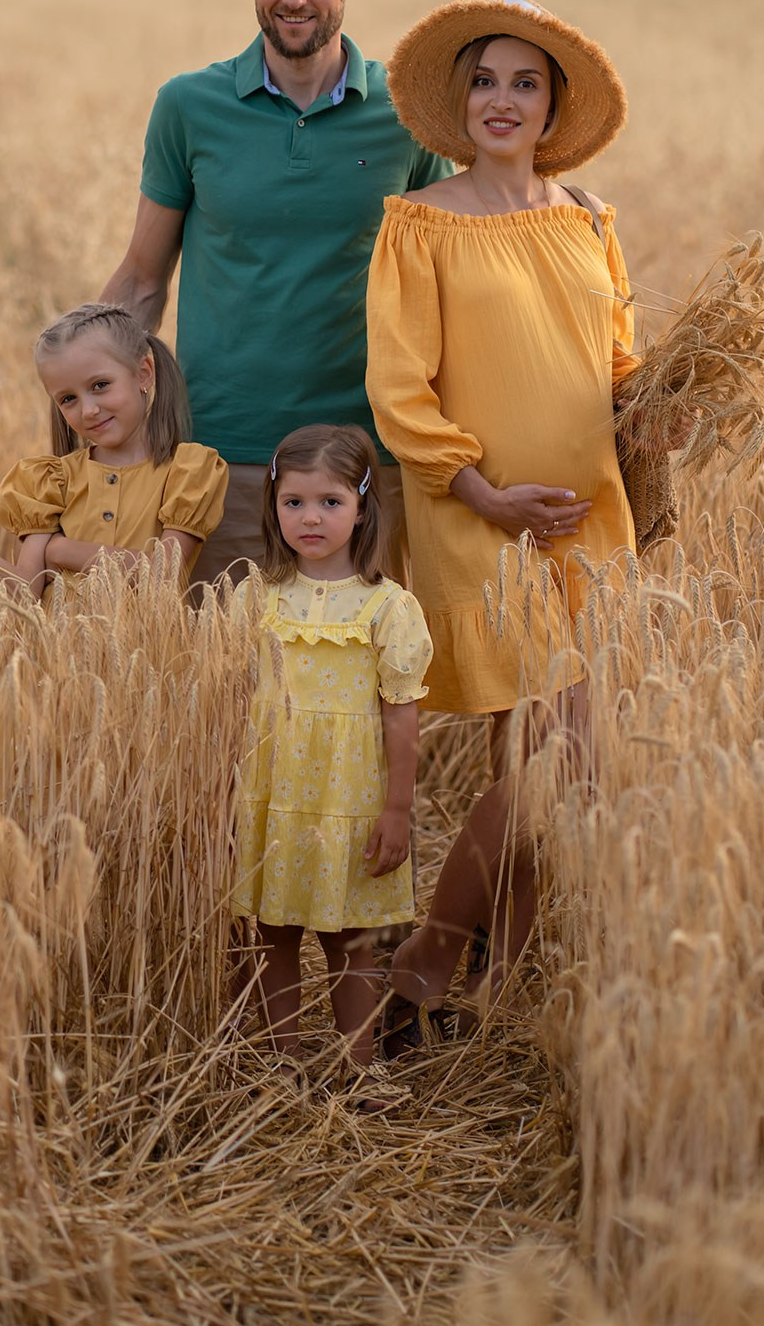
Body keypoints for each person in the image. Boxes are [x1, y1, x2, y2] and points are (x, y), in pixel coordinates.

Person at [364, 0, 635, 1022]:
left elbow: (615, 362)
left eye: (525, 83)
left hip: (586, 516)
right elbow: (399, 385)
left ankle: (502, 975)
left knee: (535, 758)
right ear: (460, 101)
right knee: (557, 750)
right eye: (483, 80)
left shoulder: (589, 220)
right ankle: (430, 955)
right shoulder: (422, 225)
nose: (501, 100)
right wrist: (479, 489)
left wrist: (660, 409)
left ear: (553, 105)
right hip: (476, 516)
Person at [99, 0, 448, 583]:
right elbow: (142, 279)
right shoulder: (188, 107)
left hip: (367, 460)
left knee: (358, 679)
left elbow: (449, 281)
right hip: (219, 459)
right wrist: (89, 428)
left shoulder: (408, 113)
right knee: (224, 681)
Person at [231, 425, 432, 1095]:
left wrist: (398, 809)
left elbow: (401, 713)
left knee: (350, 940)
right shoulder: (258, 599)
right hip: (272, 790)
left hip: (351, 797)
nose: (311, 518)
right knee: (274, 930)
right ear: (273, 506)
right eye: (294, 503)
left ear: (364, 505)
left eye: (330, 502)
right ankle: (281, 1064)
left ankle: (358, 1066)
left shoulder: (388, 607)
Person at [0, 302, 228, 593]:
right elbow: (25, 593)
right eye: (68, 399)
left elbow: (162, 574)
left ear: (143, 374)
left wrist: (61, 550)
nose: (88, 410)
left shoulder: (185, 473)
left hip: (152, 652)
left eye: (100, 386)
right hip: (67, 653)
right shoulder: (49, 483)